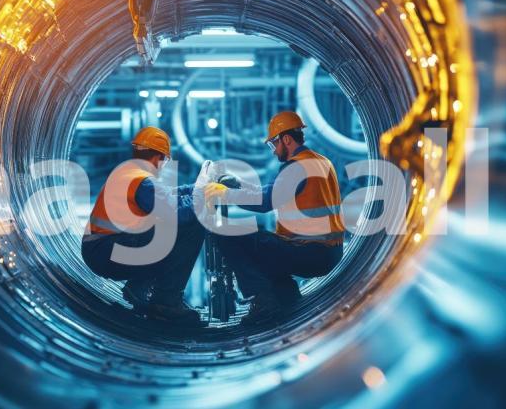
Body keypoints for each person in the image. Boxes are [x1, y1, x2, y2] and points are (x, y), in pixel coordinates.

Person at [203, 111, 345, 325]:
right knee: (266, 246)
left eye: (274, 144)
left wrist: (225, 194)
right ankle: (286, 297)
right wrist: (238, 185)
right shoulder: (319, 161)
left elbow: (265, 202)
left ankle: (263, 300)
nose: (273, 151)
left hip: (309, 251)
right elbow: (274, 192)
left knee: (229, 237)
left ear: (286, 139)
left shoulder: (297, 167)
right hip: (329, 252)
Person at [81, 126, 204, 326]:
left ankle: (139, 286)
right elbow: (177, 215)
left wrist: (198, 189)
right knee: (192, 224)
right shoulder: (141, 181)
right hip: (109, 252)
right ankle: (167, 301)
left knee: (160, 234)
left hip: (102, 251)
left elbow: (167, 196)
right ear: (159, 159)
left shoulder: (129, 173)